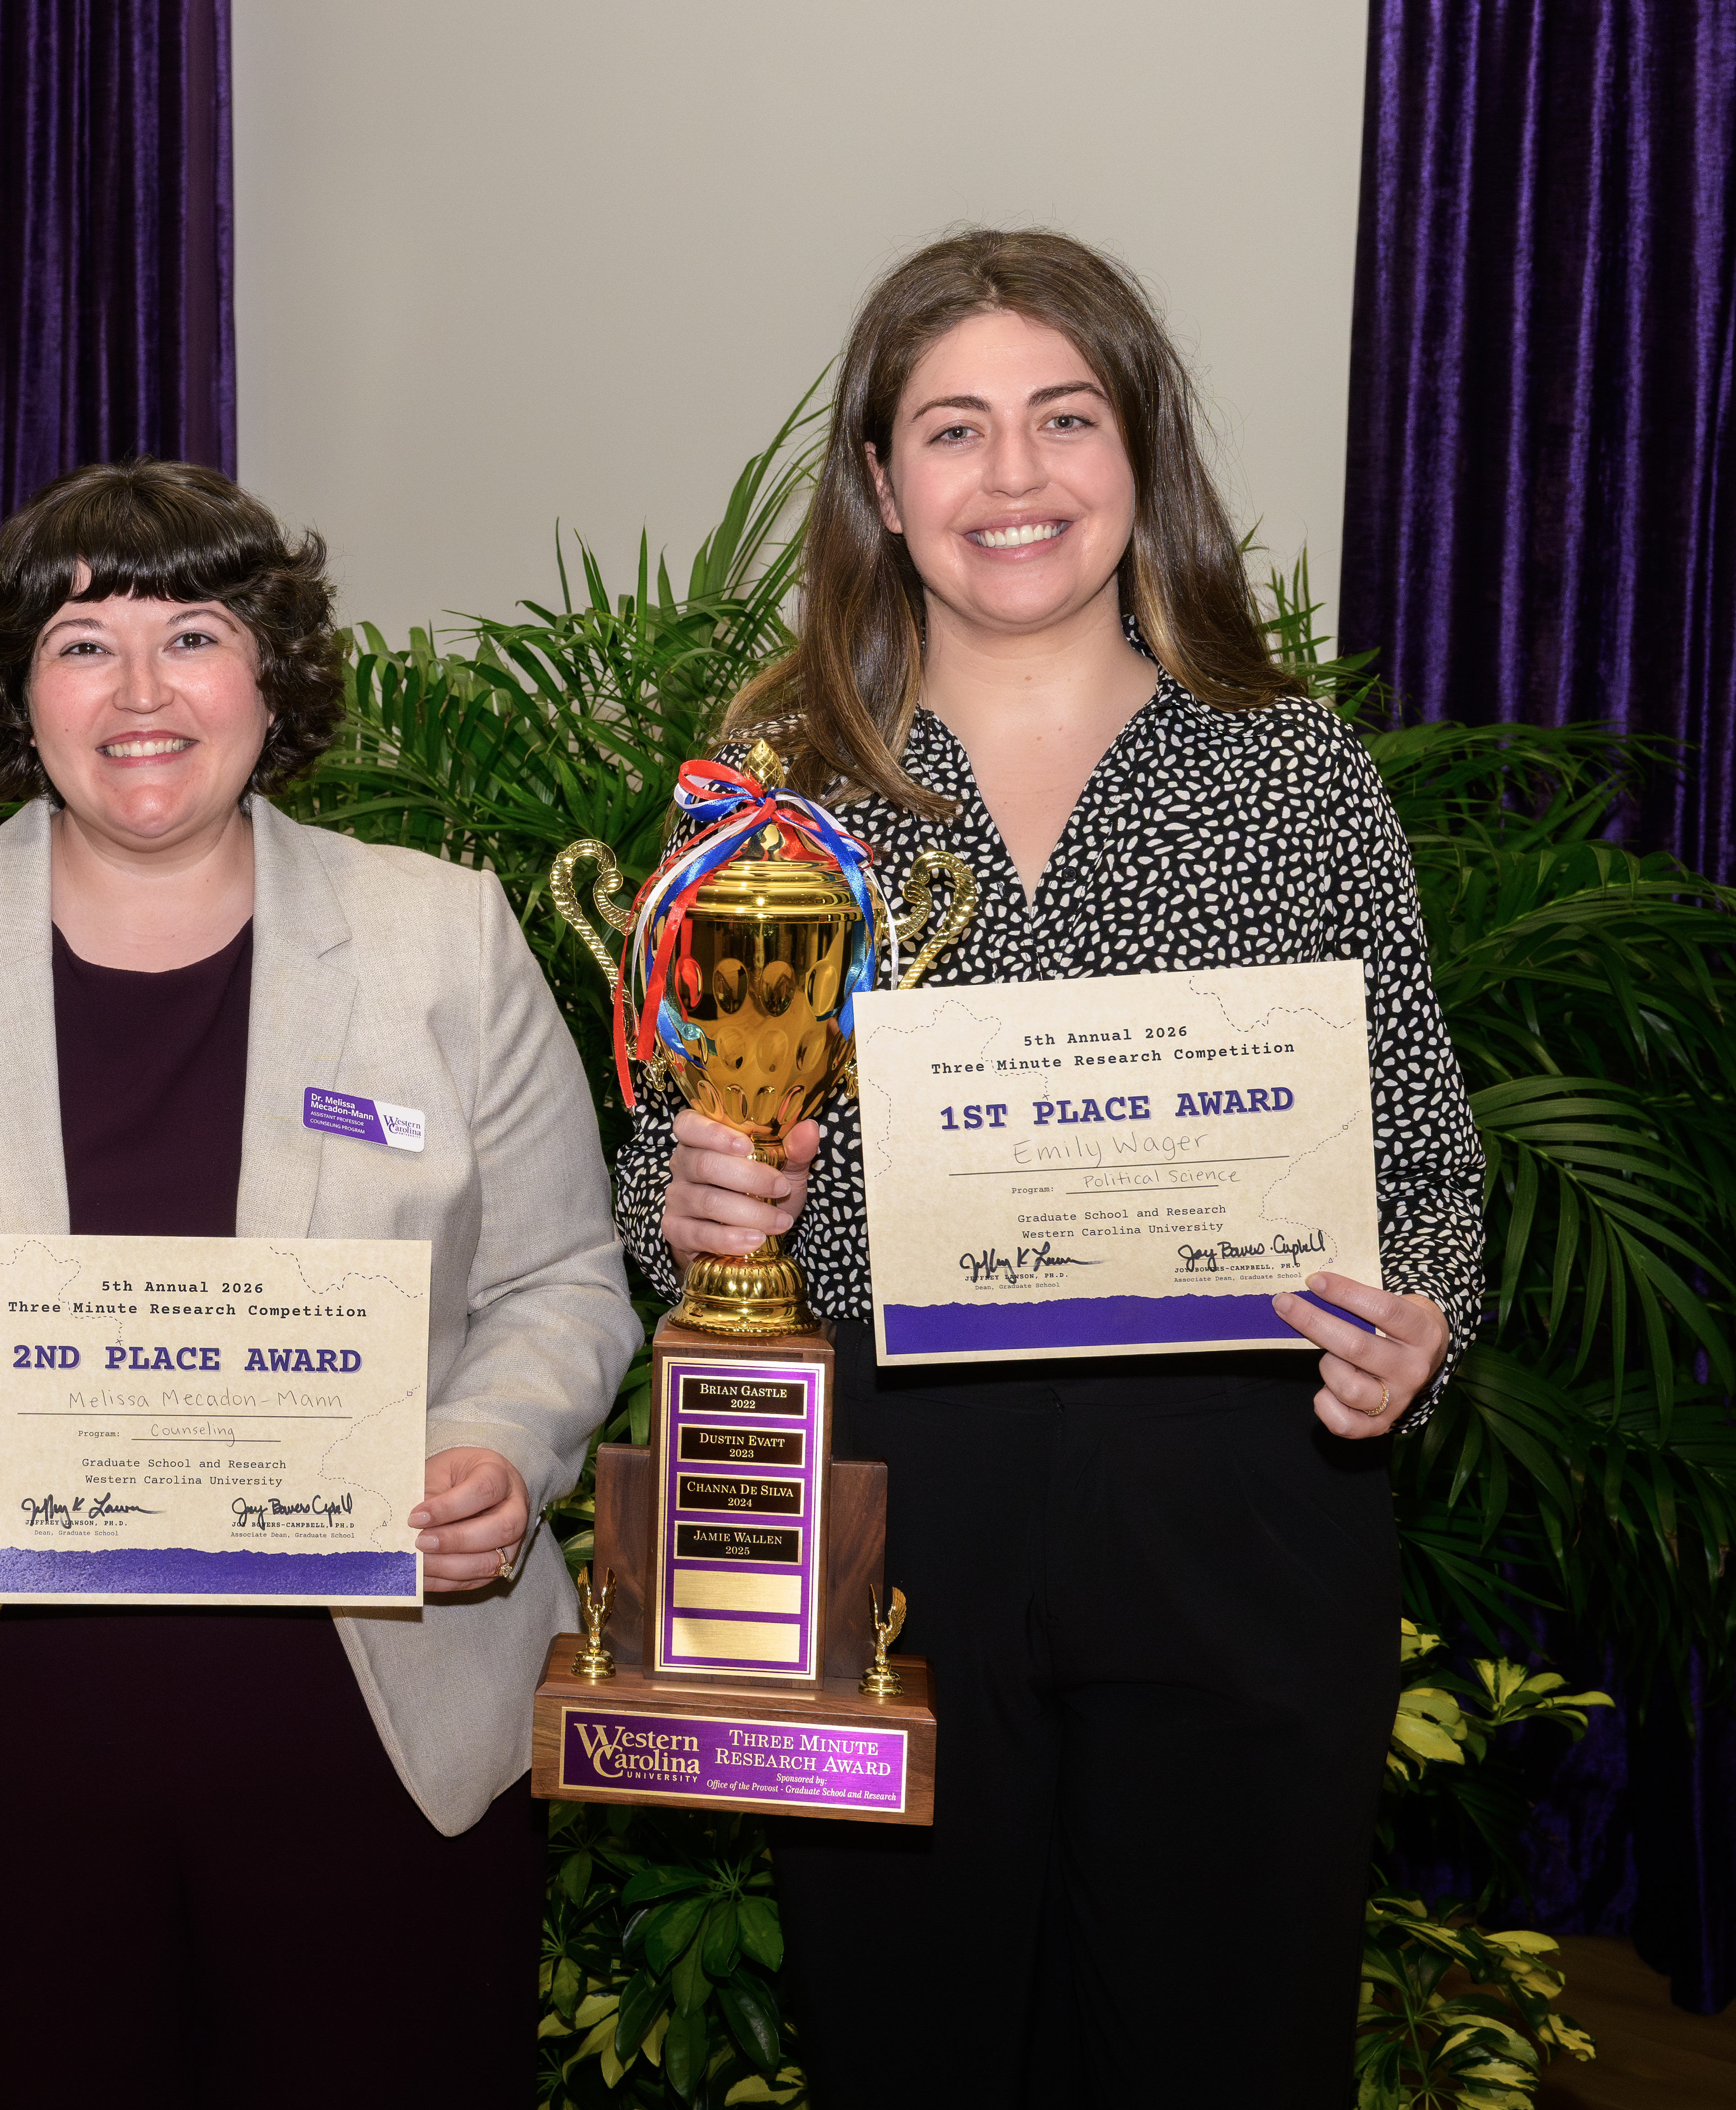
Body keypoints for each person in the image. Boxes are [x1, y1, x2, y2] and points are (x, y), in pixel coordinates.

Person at [614, 229, 1484, 2106]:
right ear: (876, 482)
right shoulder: (770, 792)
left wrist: (1415, 1325)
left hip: (1239, 1497)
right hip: (890, 1512)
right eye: (950, 430)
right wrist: (689, 1200)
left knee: (1224, 2049)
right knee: (905, 2049)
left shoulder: (1286, 773)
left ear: (1137, 453)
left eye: (1060, 418)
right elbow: (664, 1169)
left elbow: (1416, 1152)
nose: (1010, 479)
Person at [0, 459, 638, 2106]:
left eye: (192, 634)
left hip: (374, 1744)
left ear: (270, 674)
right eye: (81, 645)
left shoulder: (443, 940)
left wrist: (503, 1445)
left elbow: (561, 1279)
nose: (141, 692)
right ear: (17, 695)